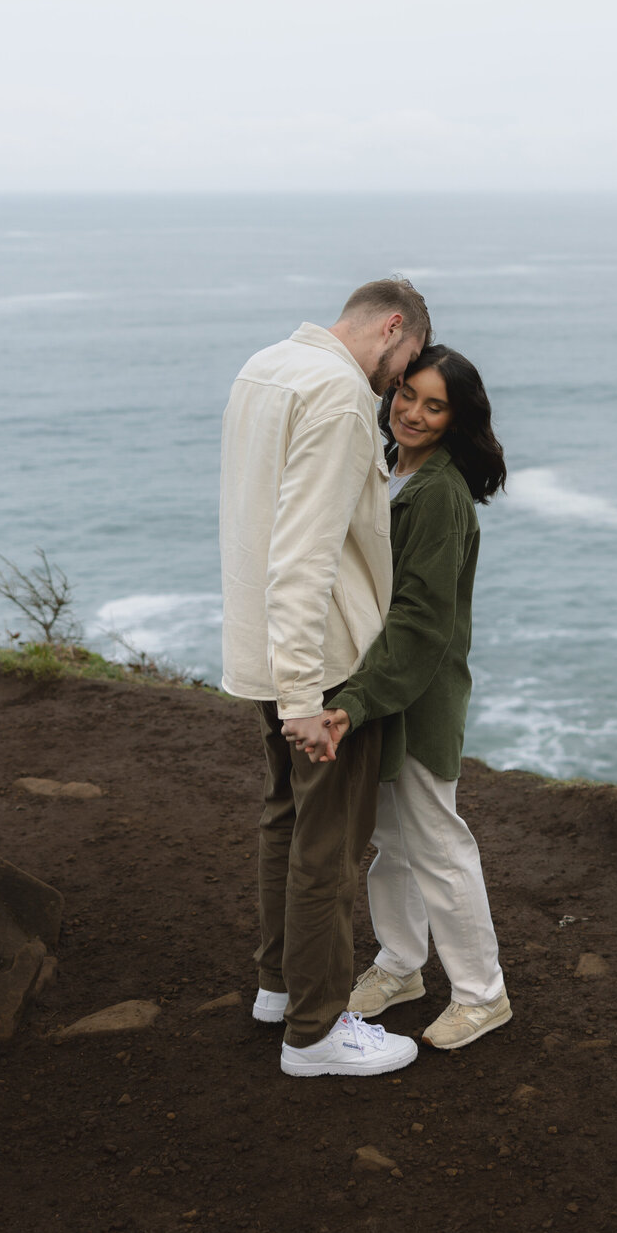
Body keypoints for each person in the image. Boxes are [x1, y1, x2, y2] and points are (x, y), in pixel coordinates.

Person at [219, 278, 430, 1078]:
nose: (400, 387)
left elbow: (256, 520)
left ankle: (279, 985)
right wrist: (308, 697)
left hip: (264, 648)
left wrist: (280, 679)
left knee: (284, 819)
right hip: (323, 664)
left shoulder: (265, 365)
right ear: (394, 326)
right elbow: (306, 550)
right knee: (328, 849)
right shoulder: (342, 396)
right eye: (404, 365)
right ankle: (313, 1032)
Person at [286, 345, 511, 1053]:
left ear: (456, 418)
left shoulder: (439, 494)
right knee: (392, 844)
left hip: (415, 696)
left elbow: (418, 626)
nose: (411, 411)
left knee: (440, 844)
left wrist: (351, 703)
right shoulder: (393, 466)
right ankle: (402, 967)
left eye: (433, 403)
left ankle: (483, 994)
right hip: (381, 689)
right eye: (406, 394)